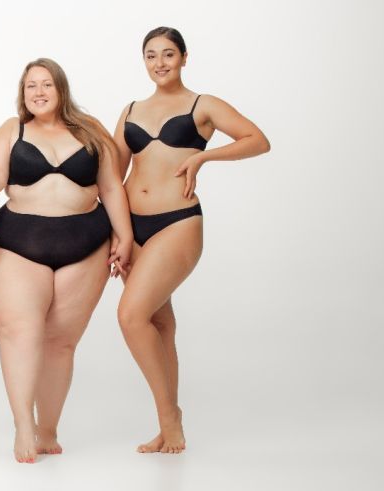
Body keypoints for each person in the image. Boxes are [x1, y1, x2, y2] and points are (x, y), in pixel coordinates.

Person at [0, 58, 132, 463]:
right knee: (19, 332)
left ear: (61, 90)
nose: (38, 92)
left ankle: (48, 427)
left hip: (86, 243)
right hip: (19, 243)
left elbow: (110, 188)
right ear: (22, 94)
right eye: (30, 86)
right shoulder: (12, 131)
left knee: (61, 342)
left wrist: (124, 235)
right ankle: (23, 423)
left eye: (46, 85)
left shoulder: (91, 131)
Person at [112, 26, 271, 454]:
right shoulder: (129, 110)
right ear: (143, 61)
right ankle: (168, 423)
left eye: (168, 54)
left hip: (178, 222)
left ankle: (170, 419)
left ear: (184, 57)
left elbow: (258, 140)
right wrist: (118, 233)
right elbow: (112, 176)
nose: (159, 63)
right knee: (159, 322)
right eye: (150, 56)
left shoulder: (203, 105)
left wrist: (203, 156)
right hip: (134, 227)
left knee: (130, 316)